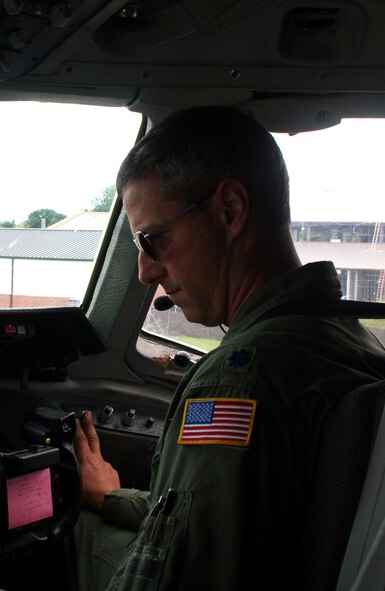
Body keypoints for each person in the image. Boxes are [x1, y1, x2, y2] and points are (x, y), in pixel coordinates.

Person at [72, 105, 385, 591]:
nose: (144, 271)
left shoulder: (239, 381)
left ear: (231, 210)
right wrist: (109, 499)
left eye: (153, 240)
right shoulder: (344, 338)